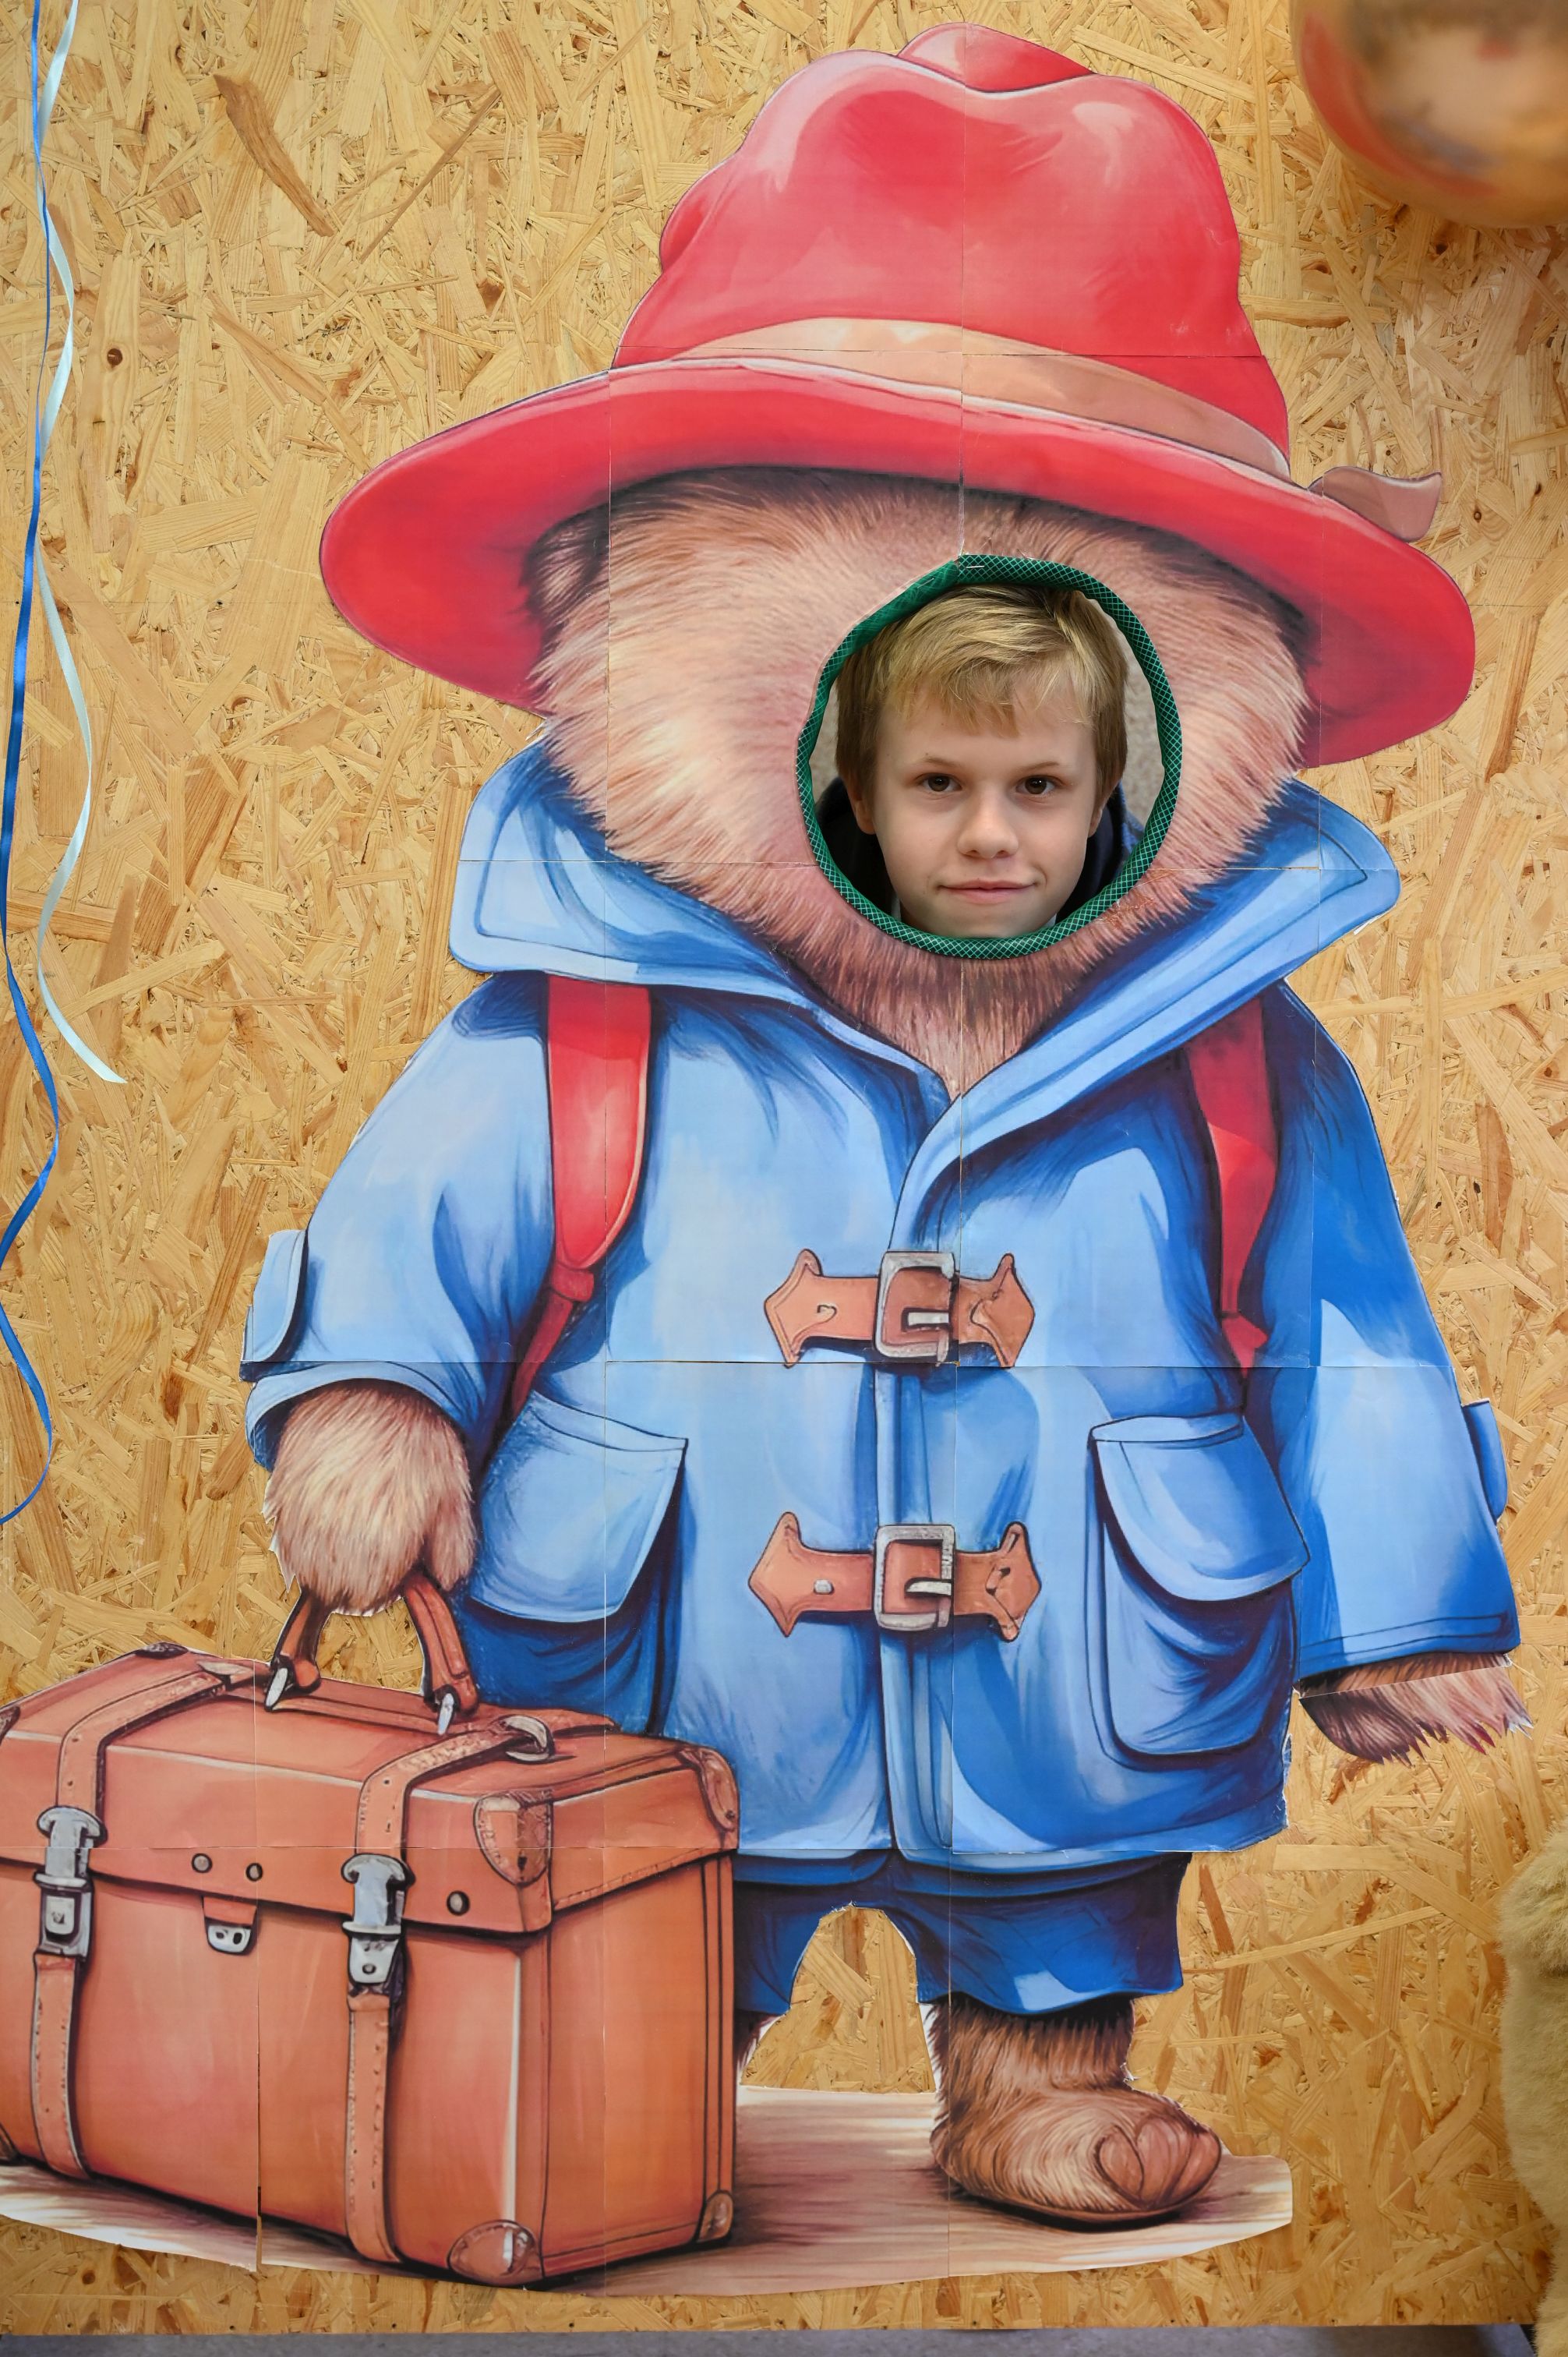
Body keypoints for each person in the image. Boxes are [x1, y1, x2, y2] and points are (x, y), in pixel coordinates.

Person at [819, 582, 1132, 939]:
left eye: (1037, 785)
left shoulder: (1169, 933)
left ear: (1099, 800)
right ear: (861, 796)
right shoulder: (781, 928)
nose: (988, 837)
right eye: (938, 782)